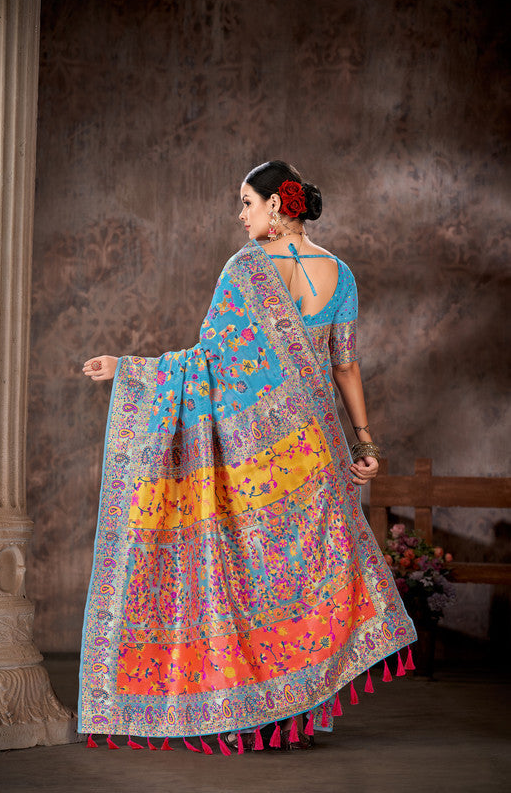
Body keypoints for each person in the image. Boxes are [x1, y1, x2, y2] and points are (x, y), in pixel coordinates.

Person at [79, 161, 416, 753]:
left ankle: (265, 715)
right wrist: (364, 442)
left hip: (257, 459)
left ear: (276, 205)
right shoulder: (340, 274)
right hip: (316, 451)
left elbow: (209, 363)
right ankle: (298, 715)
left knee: (258, 579)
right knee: (310, 581)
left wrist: (132, 370)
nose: (241, 216)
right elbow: (345, 365)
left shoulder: (245, 269)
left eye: (247, 202)